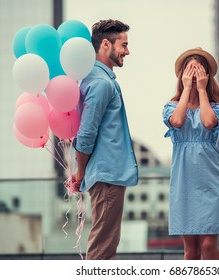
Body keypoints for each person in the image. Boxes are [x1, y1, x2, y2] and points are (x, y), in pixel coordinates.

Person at [71, 19, 138, 260]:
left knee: (105, 245)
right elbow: (86, 134)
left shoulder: (97, 80)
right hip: (107, 175)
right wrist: (80, 173)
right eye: (124, 44)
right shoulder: (100, 83)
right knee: (102, 249)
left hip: (107, 174)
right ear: (106, 44)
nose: (128, 51)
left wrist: (82, 171)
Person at [162, 47, 219, 260]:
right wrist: (186, 89)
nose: (194, 76)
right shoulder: (171, 107)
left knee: (209, 246)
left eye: (199, 71)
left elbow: (208, 122)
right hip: (184, 183)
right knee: (190, 251)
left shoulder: (216, 108)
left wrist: (202, 90)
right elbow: (176, 121)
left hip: (211, 182)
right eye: (189, 71)